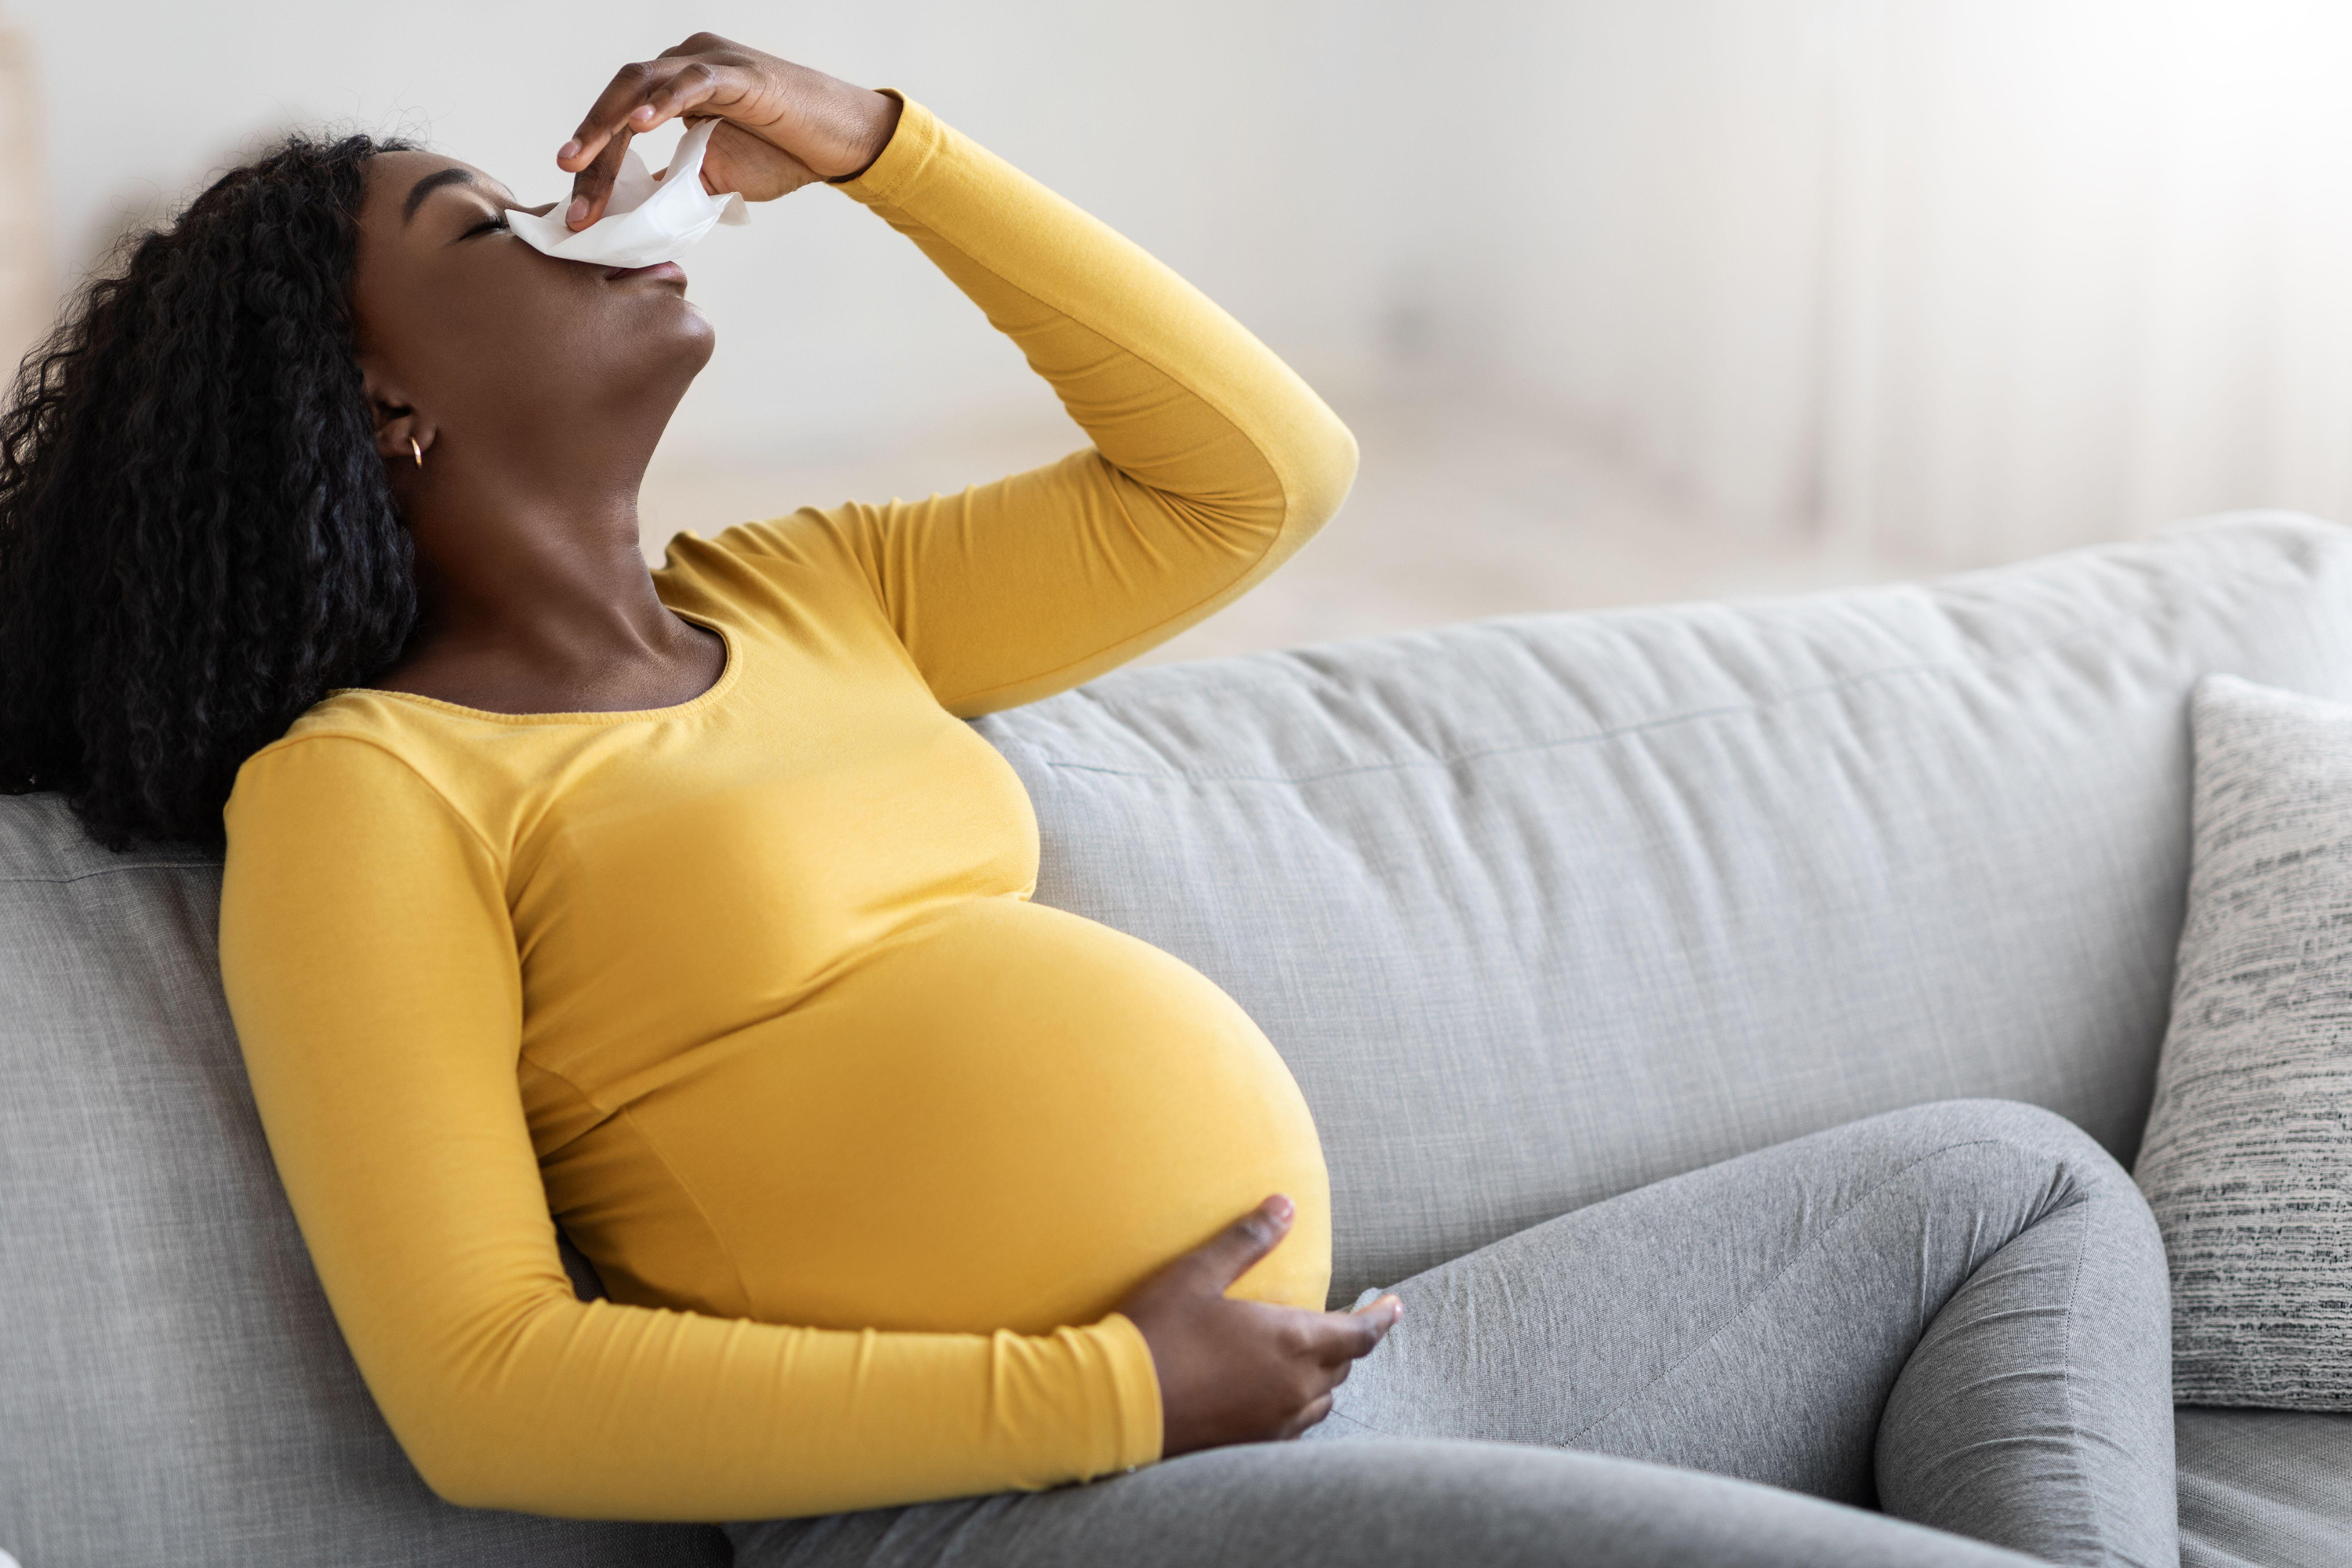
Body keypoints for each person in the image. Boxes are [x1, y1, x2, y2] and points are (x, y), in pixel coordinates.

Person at [0, 33, 2179, 1568]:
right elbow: (484, 1388)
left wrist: (885, 147)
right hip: (1013, 1515)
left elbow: (1257, 476)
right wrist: (1120, 1399)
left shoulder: (812, 591)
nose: (584, 206)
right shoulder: (369, 799)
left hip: (1331, 1397)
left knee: (2009, 1188)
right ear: (381, 401)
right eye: (485, 222)